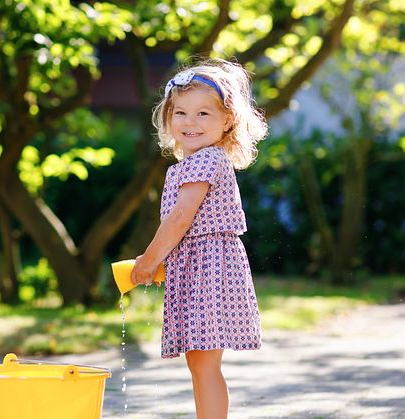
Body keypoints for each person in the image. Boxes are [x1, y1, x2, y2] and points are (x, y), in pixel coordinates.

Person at [131, 58, 268, 419]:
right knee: (199, 362)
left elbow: (180, 219)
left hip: (210, 267)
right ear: (168, 118)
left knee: (204, 363)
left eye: (204, 114)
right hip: (198, 265)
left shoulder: (209, 160)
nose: (190, 123)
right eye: (181, 113)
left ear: (228, 121)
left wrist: (149, 259)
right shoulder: (188, 165)